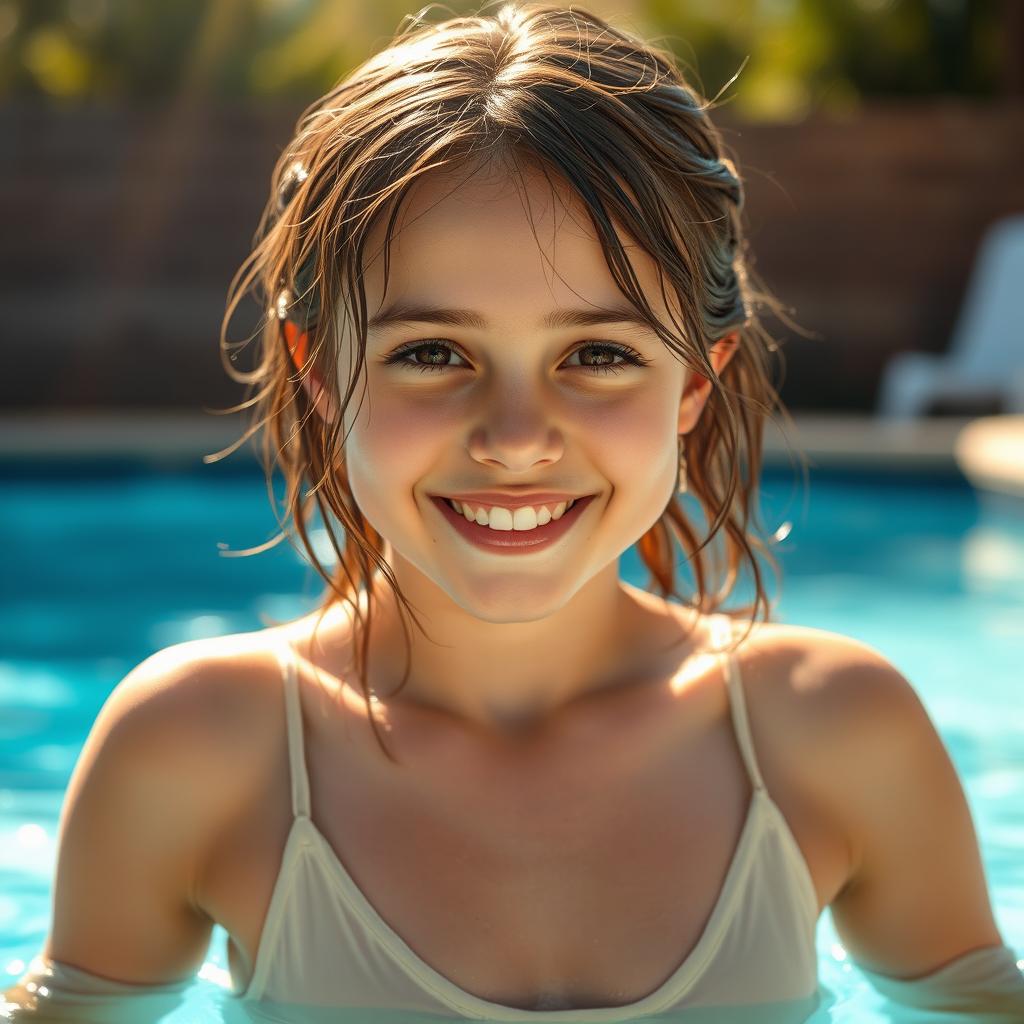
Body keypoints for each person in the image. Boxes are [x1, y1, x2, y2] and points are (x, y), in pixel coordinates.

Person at [5, 2, 1022, 1020]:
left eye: (598, 355)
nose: (516, 436)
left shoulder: (835, 734)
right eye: (434, 353)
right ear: (320, 373)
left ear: (695, 384)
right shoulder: (196, 752)